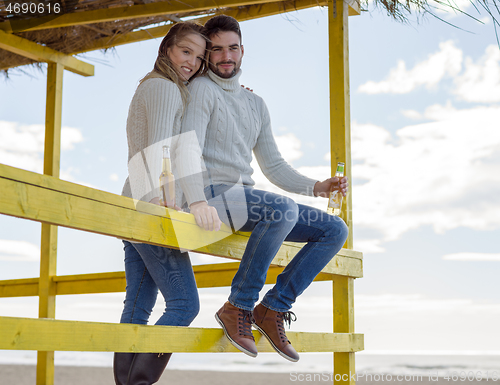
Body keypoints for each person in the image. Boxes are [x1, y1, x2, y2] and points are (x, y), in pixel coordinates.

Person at [177, 15, 349, 363]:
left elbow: (273, 166)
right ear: (207, 55)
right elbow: (187, 148)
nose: (226, 56)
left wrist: (317, 187)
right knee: (281, 209)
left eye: (233, 48)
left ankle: (272, 308)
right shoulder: (200, 90)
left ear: (243, 50)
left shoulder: (255, 104)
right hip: (209, 194)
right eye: (217, 49)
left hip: (245, 200)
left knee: (334, 229)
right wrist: (194, 199)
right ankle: (238, 305)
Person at [114, 22, 208, 385]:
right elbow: (158, 152)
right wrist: (163, 205)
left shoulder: (152, 86)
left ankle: (126, 383)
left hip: (133, 204)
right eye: (186, 52)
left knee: (137, 305)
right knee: (185, 304)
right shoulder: (166, 89)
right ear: (167, 48)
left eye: (199, 57)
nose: (193, 62)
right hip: (152, 207)